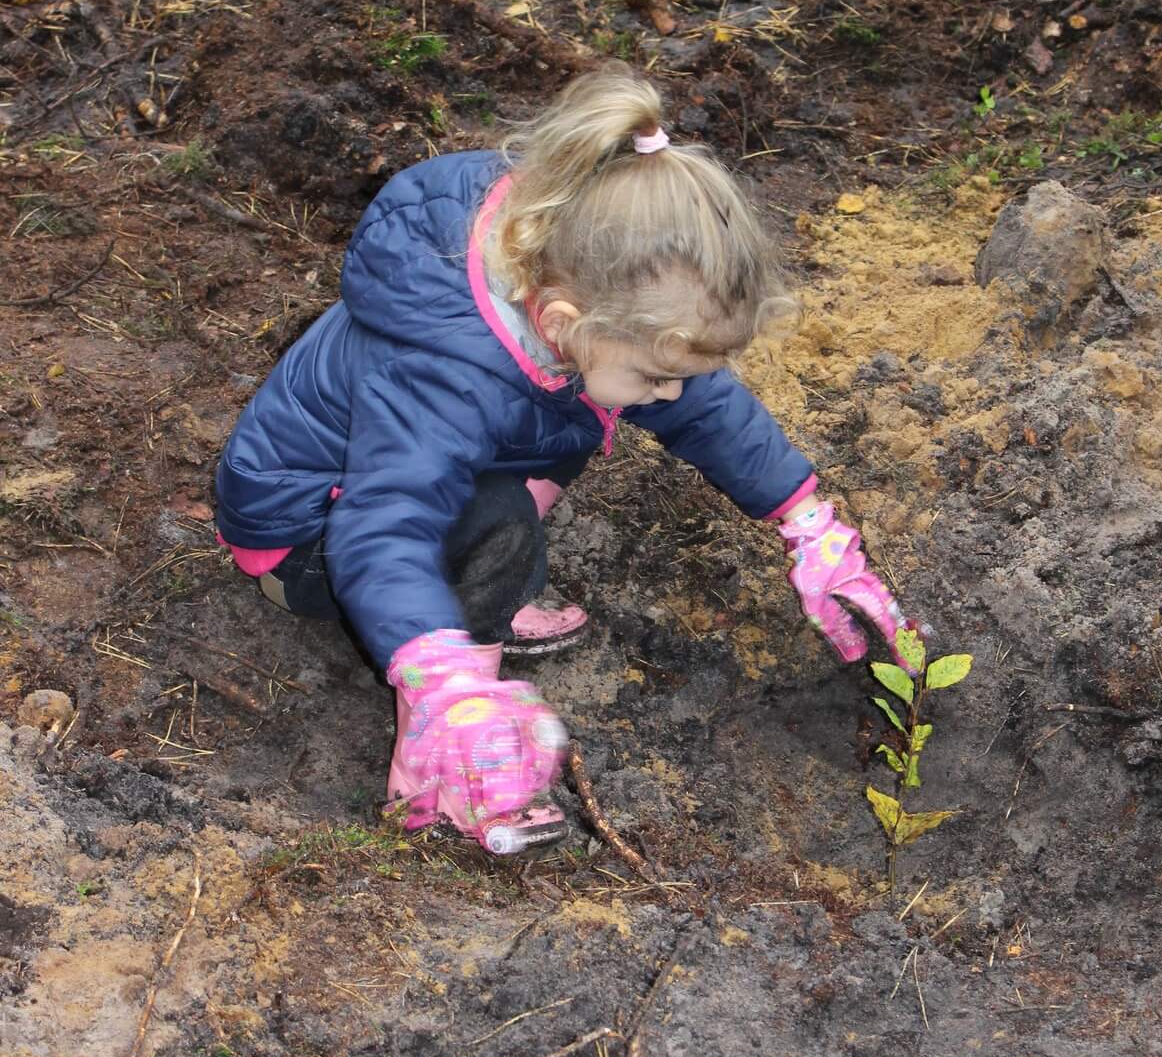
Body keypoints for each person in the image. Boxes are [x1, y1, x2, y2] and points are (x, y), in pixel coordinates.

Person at [215, 64, 913, 855]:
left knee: (587, 409)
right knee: (499, 521)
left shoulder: (578, 277)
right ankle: (440, 762)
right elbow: (383, 529)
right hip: (312, 539)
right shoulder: (445, 374)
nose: (669, 393)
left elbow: (704, 406)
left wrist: (806, 523)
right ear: (561, 318)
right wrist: (445, 683)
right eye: (657, 373)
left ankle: (474, 611)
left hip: (408, 483)